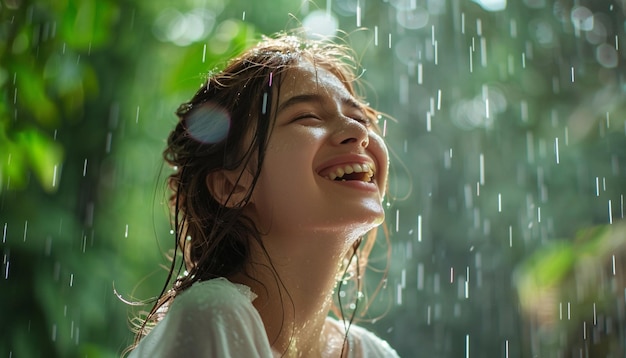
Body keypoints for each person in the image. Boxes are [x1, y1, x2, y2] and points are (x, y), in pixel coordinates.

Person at [127, 30, 399, 358]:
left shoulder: (369, 352)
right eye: (307, 116)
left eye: (359, 117)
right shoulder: (213, 317)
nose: (358, 132)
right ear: (232, 186)